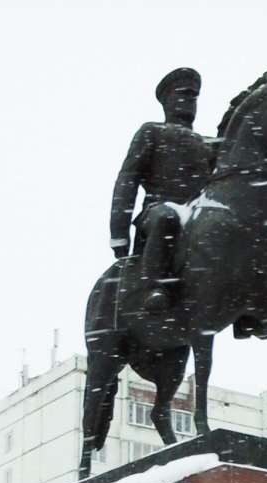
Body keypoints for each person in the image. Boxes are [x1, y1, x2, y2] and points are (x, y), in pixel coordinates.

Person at [110, 67, 214, 312]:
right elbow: (127, 180)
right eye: (185, 94)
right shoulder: (151, 132)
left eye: (194, 97)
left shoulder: (208, 143)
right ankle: (153, 288)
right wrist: (119, 232)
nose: (191, 101)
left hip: (197, 215)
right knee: (167, 215)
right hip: (157, 210)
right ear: (167, 99)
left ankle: (244, 306)